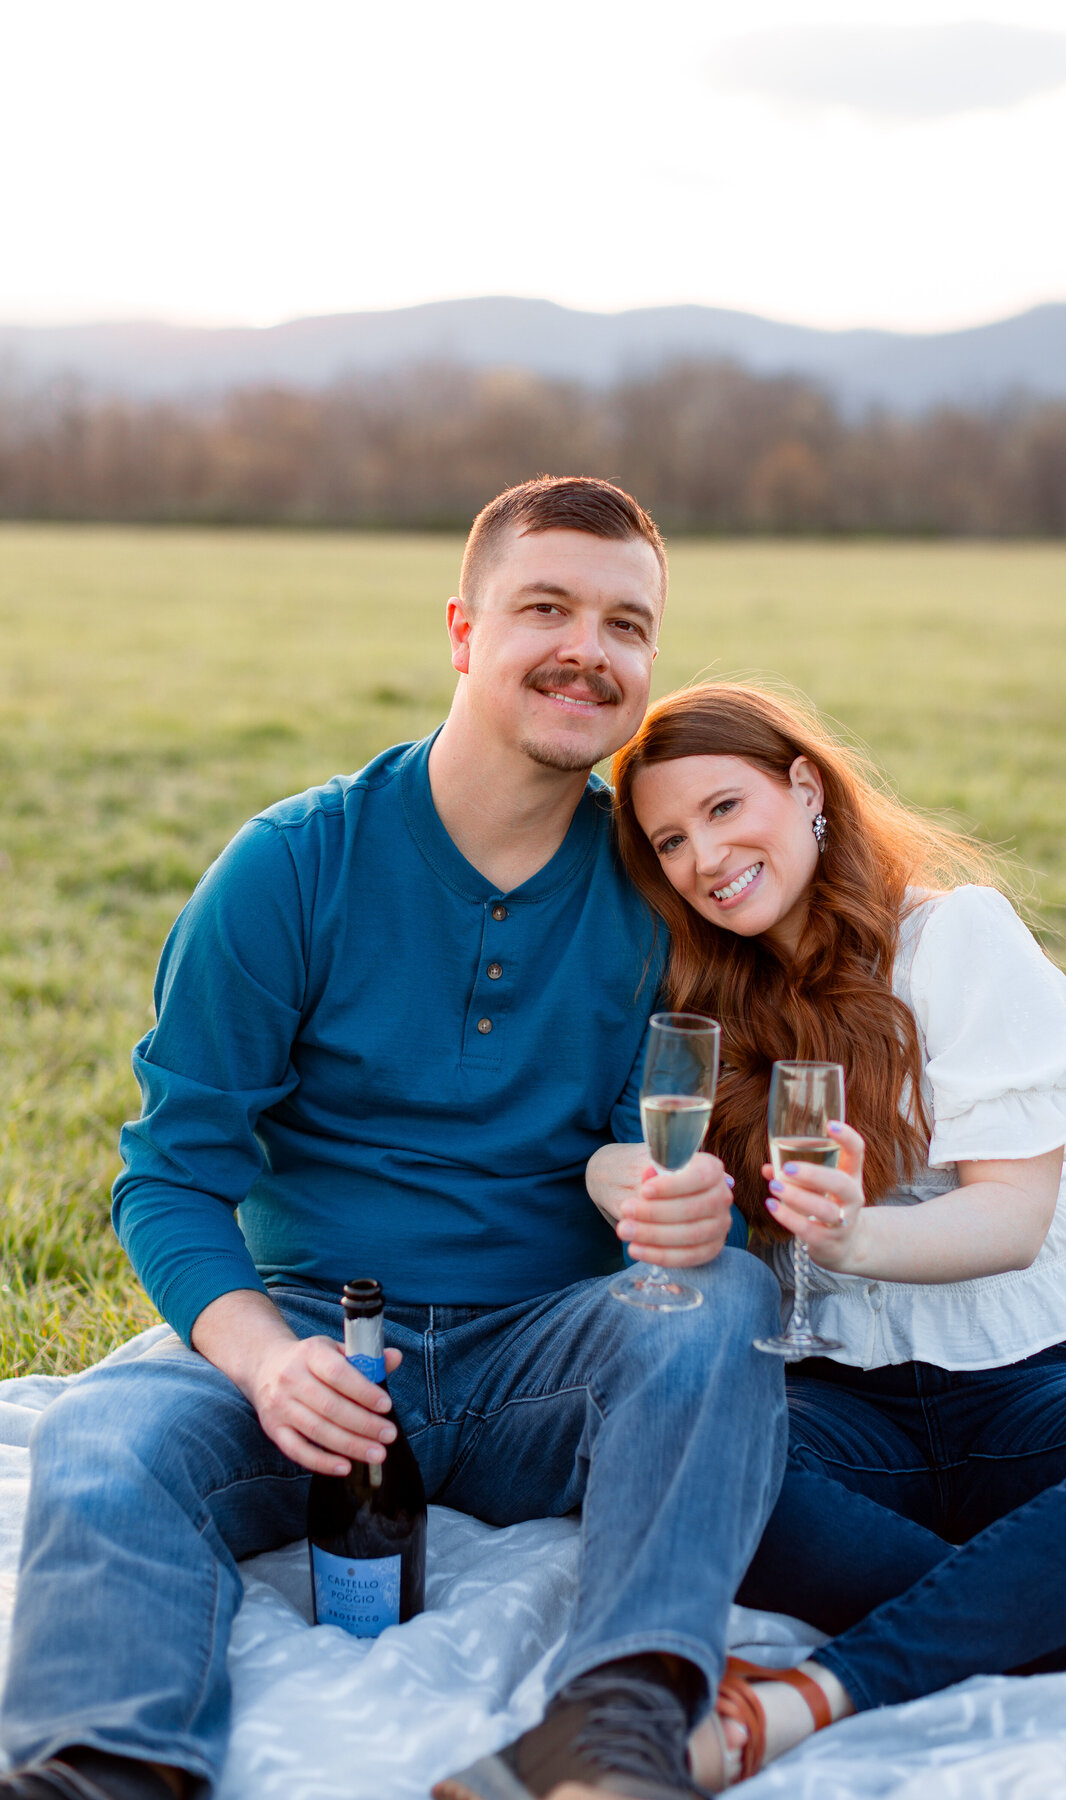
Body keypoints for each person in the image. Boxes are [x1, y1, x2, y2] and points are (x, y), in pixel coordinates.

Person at [0, 481, 787, 1800]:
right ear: (464, 630)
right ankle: (105, 1764)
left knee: (716, 1304)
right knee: (106, 1438)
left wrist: (669, 1205)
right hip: (317, 1334)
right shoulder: (293, 867)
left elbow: (624, 1141)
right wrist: (260, 1360)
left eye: (625, 622)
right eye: (546, 606)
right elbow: (173, 1169)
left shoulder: (657, 897)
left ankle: (618, 1720)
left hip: (548, 1345)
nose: (587, 647)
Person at [606, 680, 1066, 1787]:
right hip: (843, 1399)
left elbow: (1014, 1219)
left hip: (1023, 1383)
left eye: (727, 809)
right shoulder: (704, 1000)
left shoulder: (954, 939)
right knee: (710, 1476)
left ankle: (827, 1690)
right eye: (671, 840)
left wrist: (854, 1239)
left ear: (805, 788)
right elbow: (625, 1153)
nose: (705, 857)